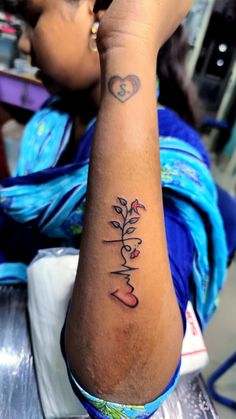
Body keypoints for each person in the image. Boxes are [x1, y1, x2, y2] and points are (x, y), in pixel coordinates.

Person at [0, 0, 235, 417]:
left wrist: (128, 43)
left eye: (34, 18)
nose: (24, 43)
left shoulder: (167, 158)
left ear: (96, 12)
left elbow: (120, 376)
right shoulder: (53, 121)